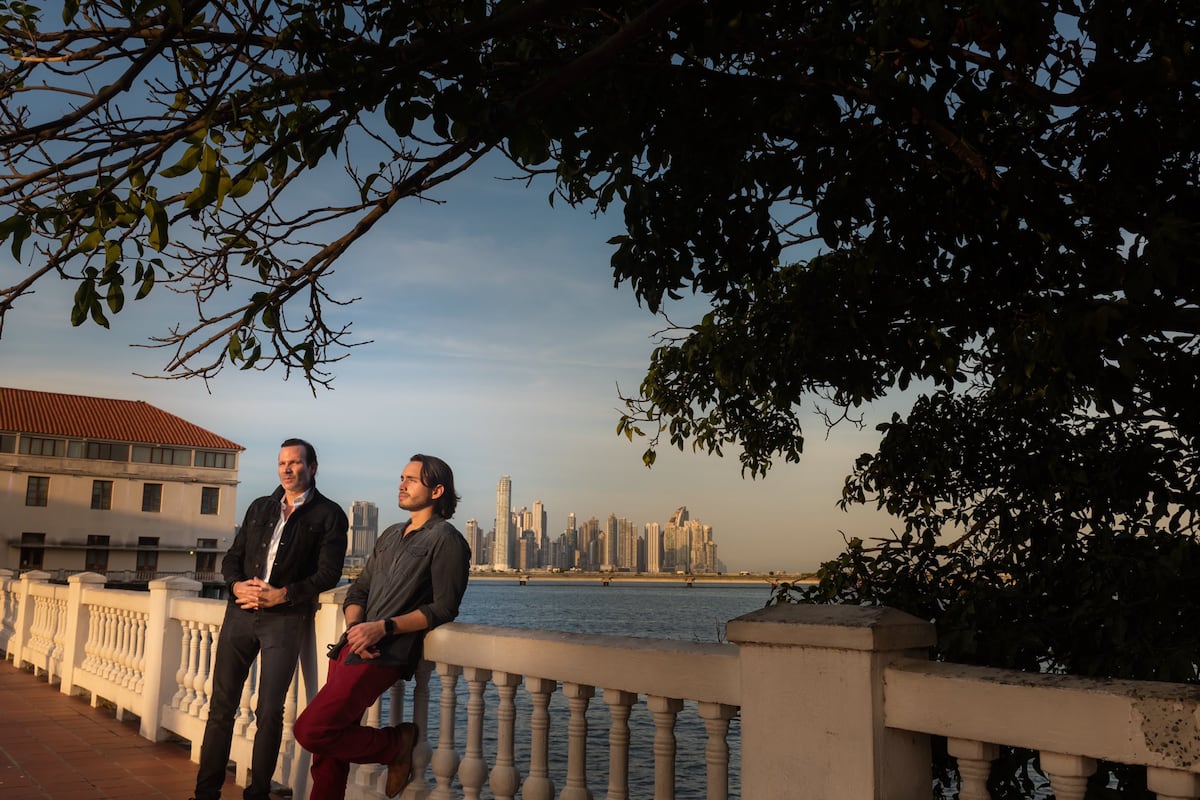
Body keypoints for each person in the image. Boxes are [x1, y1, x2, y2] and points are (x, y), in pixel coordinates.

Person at [294, 453, 471, 800]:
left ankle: (394, 744)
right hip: (351, 647)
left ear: (436, 491)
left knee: (311, 730)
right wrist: (358, 627)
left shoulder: (446, 539)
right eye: (401, 478)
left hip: (385, 654)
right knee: (327, 752)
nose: (401, 485)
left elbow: (443, 607)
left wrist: (383, 629)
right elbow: (359, 589)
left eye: (412, 480)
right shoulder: (391, 534)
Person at [192, 438, 349, 800]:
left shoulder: (330, 515)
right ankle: (205, 793)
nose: (287, 469)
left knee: (268, 711)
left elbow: (328, 574)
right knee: (221, 706)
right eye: (282, 463)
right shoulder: (260, 507)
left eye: (295, 463)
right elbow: (232, 557)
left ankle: (258, 793)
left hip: (285, 620)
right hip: (240, 614)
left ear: (312, 467)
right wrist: (234, 586)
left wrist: (285, 594)